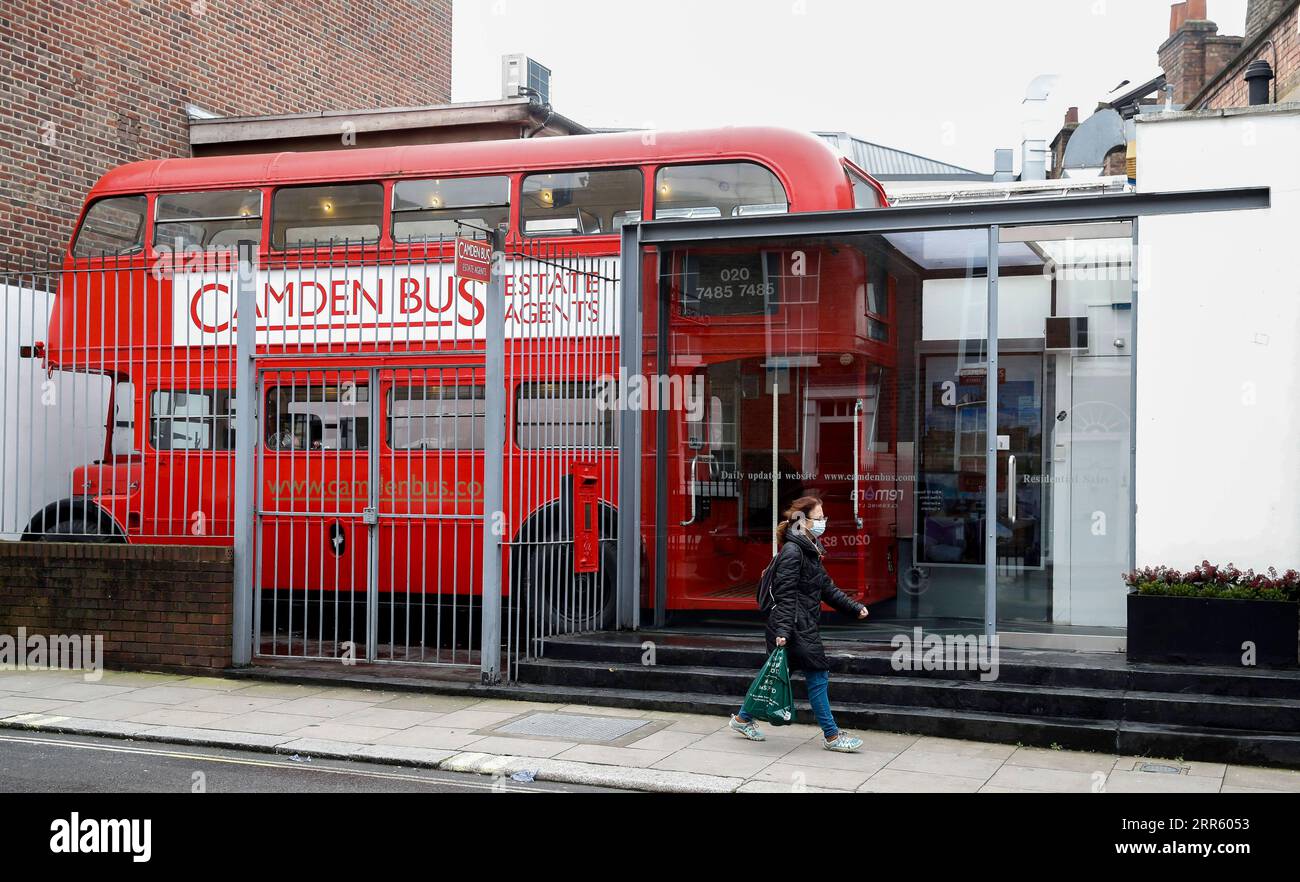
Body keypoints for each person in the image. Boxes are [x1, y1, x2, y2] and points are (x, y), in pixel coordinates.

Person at [730, 495, 869, 752]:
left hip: (799, 626)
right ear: (803, 521)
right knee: (818, 676)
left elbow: (826, 587)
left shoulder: (809, 549)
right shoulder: (794, 552)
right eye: (819, 518)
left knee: (775, 675)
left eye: (824, 517)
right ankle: (832, 736)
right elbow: (785, 594)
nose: (823, 522)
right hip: (793, 627)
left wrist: (854, 607)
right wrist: (783, 631)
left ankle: (742, 719)